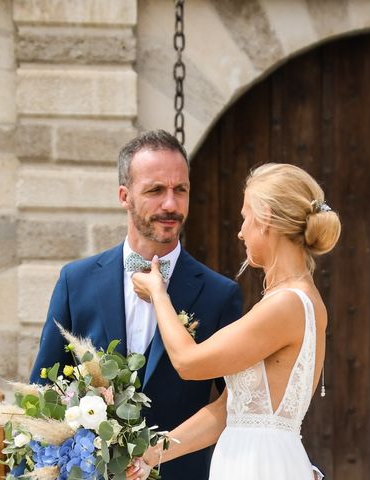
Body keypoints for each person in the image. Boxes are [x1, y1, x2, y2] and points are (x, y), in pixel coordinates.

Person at [29, 129, 243, 480]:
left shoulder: (220, 295)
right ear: (124, 196)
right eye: (156, 190)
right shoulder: (76, 281)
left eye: (181, 190)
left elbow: (236, 403)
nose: (171, 204)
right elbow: (41, 394)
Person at [126, 163, 341, 480]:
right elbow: (227, 411)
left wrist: (159, 294)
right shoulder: (291, 299)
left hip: (259, 466)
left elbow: (189, 362)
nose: (240, 230)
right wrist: (150, 456)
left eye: (245, 217)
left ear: (265, 218)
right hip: (253, 461)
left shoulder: (288, 303)